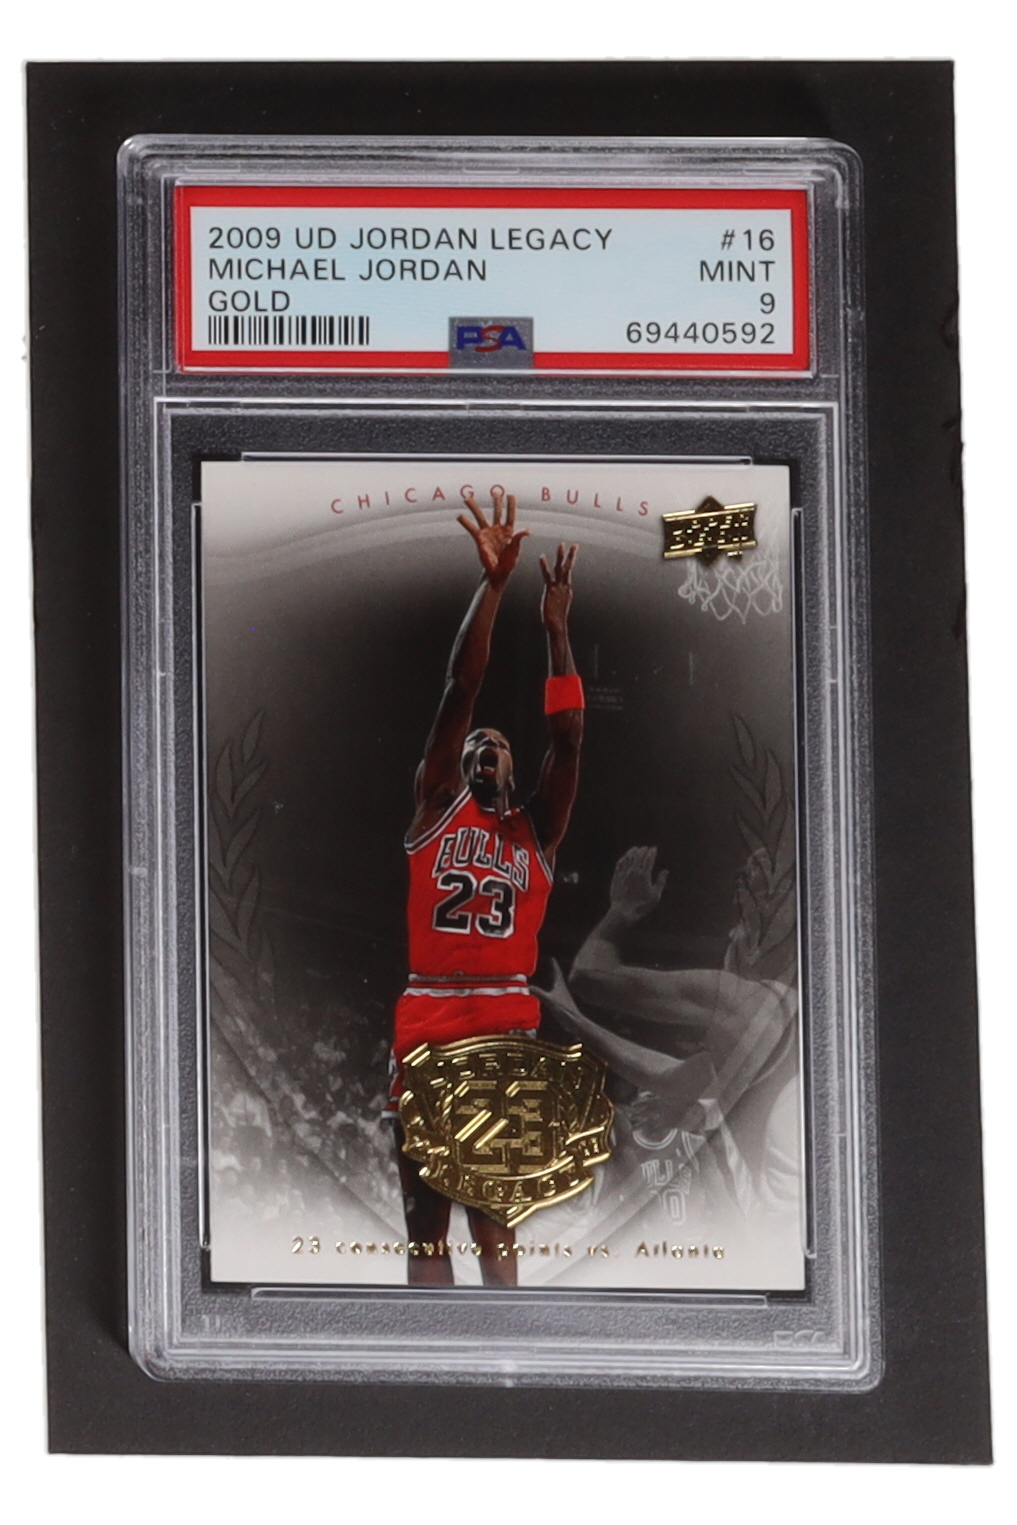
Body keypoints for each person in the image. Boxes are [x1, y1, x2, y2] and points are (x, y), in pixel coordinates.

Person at [390, 488, 583, 1286]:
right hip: (427, 1017)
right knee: (425, 1224)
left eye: (495, 744)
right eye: (473, 746)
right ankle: (426, 1347)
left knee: (493, 1222)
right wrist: (495, 585)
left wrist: (557, 631)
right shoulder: (435, 806)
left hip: (503, 1021)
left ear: (510, 764)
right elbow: (458, 690)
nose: (481, 750)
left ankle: (504, 1341)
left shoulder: (536, 830)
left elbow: (568, 737)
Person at [538, 846, 799, 1229]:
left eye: (741, 923)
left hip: (770, 1235)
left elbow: (591, 974)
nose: (731, 932)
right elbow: (670, 1076)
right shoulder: (801, 1016)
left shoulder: (747, 1003)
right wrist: (577, 1023)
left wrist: (621, 913)